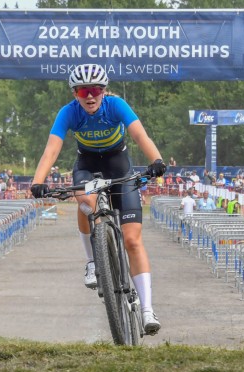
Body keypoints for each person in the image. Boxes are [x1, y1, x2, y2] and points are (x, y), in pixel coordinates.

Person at [29, 64, 165, 335]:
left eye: (95, 90)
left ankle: (148, 310)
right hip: (87, 165)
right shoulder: (68, 113)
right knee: (84, 198)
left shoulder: (115, 105)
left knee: (132, 240)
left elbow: (139, 135)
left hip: (118, 164)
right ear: (75, 94)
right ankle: (93, 261)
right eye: (82, 91)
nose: (89, 96)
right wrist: (37, 181)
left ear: (103, 91)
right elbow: (52, 149)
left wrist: (156, 160)